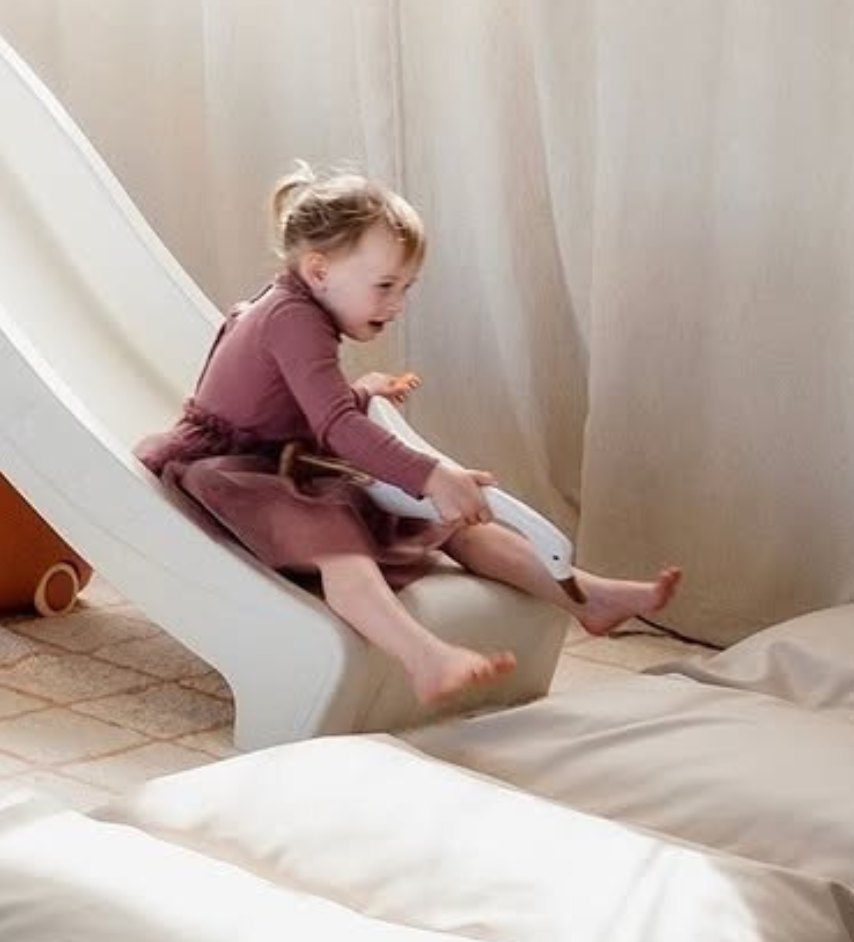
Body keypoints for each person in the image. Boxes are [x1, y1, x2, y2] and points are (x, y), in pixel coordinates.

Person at [138, 162, 680, 706]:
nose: (397, 304)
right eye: (385, 286)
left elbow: (292, 403)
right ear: (320, 270)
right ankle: (424, 658)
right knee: (338, 538)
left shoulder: (301, 307)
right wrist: (428, 473)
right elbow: (335, 428)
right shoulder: (292, 318)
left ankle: (586, 594)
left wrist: (362, 394)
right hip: (233, 470)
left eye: (406, 287)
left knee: (446, 522)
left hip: (283, 460)